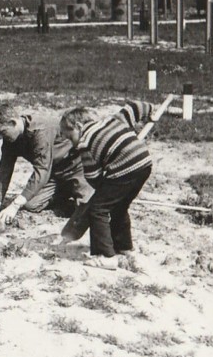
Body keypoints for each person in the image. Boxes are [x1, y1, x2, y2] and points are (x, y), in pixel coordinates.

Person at [59, 101, 154, 268]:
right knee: (119, 206)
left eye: (69, 136)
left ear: (79, 126)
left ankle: (106, 256)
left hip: (124, 168)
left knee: (98, 209)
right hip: (144, 163)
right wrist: (150, 113)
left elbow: (93, 177)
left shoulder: (84, 143)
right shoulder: (114, 120)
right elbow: (136, 107)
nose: (70, 141)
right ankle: (124, 247)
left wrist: (101, 192)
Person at [0, 102, 94, 229]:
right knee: (31, 204)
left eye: (2, 132)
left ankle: (80, 191)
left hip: (76, 168)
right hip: (53, 173)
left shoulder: (39, 131)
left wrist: (14, 205)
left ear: (13, 123)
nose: (0, 137)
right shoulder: (11, 138)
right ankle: (66, 193)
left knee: (86, 210)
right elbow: (4, 169)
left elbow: (41, 170)